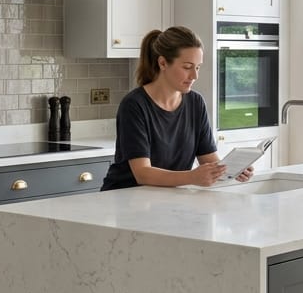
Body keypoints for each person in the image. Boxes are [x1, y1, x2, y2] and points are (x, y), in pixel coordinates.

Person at [101, 26, 253, 191]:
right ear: (163, 63)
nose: (195, 76)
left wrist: (231, 170)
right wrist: (191, 177)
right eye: (187, 67)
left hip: (169, 197)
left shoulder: (195, 102)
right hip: (125, 199)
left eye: (198, 67)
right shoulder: (134, 105)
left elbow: (209, 160)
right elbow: (142, 173)